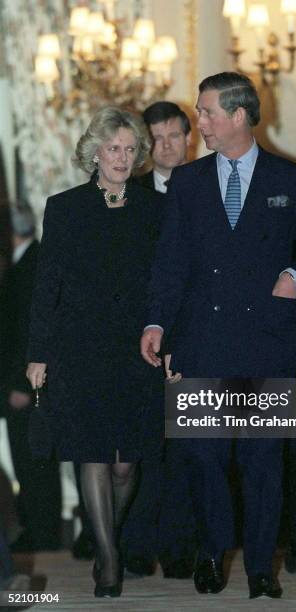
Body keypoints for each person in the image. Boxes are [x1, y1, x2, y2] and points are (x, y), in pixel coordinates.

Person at [141, 72, 296, 599]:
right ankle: (211, 553)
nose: (201, 124)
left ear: (239, 115)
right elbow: (169, 264)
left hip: (269, 339)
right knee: (203, 455)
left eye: (208, 113)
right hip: (203, 340)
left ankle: (262, 565)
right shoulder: (188, 182)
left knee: (264, 458)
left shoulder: (290, 180)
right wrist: (155, 322)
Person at [26, 107, 164, 598]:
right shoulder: (64, 207)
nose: (122, 158)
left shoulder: (153, 209)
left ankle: (110, 534)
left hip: (135, 349)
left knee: (126, 463)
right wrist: (38, 352)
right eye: (113, 149)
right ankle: (108, 558)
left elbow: (164, 283)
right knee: (93, 453)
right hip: (79, 347)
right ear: (94, 152)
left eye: (130, 149)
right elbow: (48, 285)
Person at [123, 101, 196, 580]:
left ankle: (179, 548)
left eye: (173, 136)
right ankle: (135, 544)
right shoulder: (129, 195)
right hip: (141, 337)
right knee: (141, 445)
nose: (166, 146)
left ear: (189, 136)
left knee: (188, 447)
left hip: (196, 334)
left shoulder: (211, 185)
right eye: (157, 139)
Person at [1, 203, 62, 552]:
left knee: (36, 464)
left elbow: (31, 331)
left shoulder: (31, 264)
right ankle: (38, 533)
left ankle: (44, 536)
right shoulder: (22, 263)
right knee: (29, 463)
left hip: (26, 386)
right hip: (18, 383)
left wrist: (23, 385)